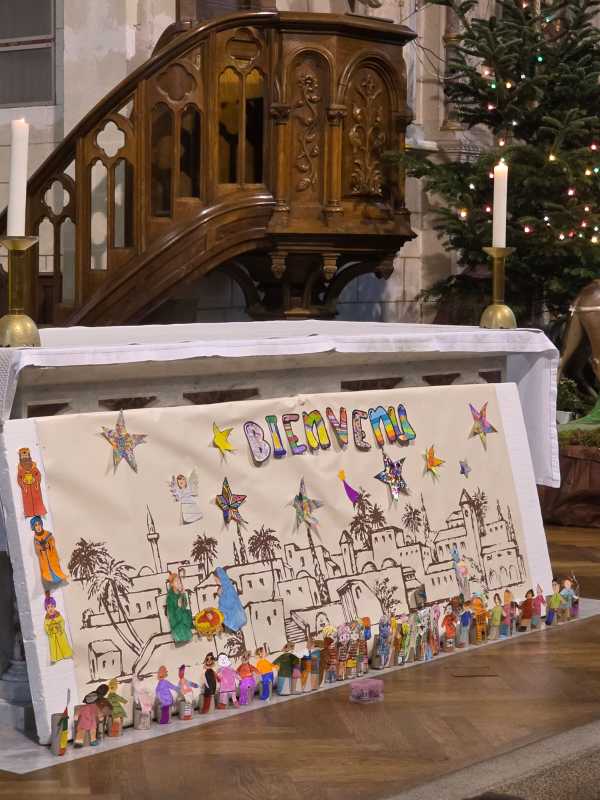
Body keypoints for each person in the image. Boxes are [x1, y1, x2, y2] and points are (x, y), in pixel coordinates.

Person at [31, 517, 68, 589]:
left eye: (39, 524)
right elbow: (37, 549)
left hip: (51, 556)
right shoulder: (36, 538)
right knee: (47, 572)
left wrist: (48, 544)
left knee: (55, 568)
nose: (38, 527)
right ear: (33, 528)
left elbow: (52, 541)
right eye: (36, 525)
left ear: (41, 524)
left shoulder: (47, 534)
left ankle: (59, 579)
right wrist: (41, 548)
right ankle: (50, 584)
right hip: (44, 559)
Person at [16, 447, 47, 518]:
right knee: (27, 501)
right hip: (26, 488)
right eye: (23, 456)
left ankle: (40, 512)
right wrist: (23, 484)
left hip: (34, 487)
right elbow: (19, 478)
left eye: (26, 455)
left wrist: (36, 481)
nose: (24, 457)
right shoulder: (20, 468)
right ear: (20, 457)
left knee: (38, 499)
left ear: (29, 456)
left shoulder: (33, 466)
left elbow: (38, 474)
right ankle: (28, 513)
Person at [43, 595, 72, 663]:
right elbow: (45, 626)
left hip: (60, 633)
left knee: (63, 643)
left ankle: (67, 654)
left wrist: (61, 628)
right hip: (52, 635)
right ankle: (55, 658)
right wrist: (49, 631)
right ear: (46, 609)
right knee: (54, 647)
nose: (50, 609)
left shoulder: (58, 614)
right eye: (48, 607)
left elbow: (62, 621)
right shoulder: (46, 618)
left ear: (54, 606)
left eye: (52, 606)